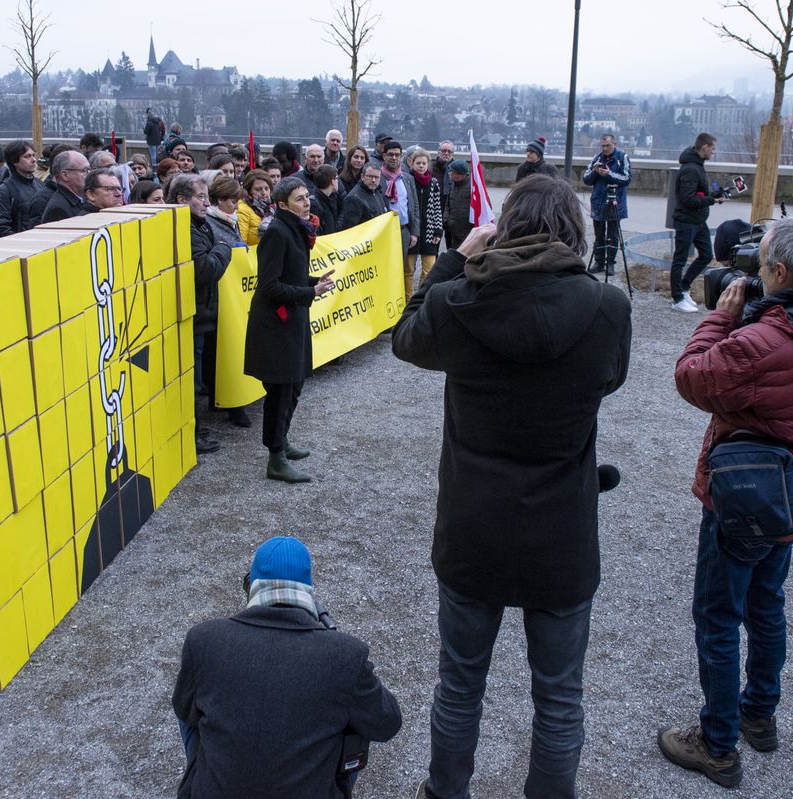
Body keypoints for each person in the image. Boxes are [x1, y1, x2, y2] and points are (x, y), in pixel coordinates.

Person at [393, 175, 632, 799]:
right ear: (574, 231)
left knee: (460, 685)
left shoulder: (458, 303)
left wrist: (455, 256)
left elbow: (405, 336)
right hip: (562, 528)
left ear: (505, 228)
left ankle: (446, 792)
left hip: (474, 523)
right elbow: (609, 380)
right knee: (559, 698)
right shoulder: (607, 308)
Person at [657, 217, 793, 789]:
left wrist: (722, 316)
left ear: (776, 271)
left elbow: (691, 377)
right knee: (767, 604)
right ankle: (758, 714)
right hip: (792, 490)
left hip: (742, 494)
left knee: (720, 616)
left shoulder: (758, 342)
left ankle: (718, 745)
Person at [172, 535, 402, 799]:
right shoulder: (347, 654)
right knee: (356, 714)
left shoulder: (203, 640)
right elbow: (387, 724)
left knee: (190, 698)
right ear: (309, 592)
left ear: (252, 587)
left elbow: (184, 710)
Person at [243, 176, 336, 483]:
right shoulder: (277, 233)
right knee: (281, 391)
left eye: (307, 196)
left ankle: (281, 442)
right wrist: (311, 293)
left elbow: (290, 275)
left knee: (294, 385)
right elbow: (269, 286)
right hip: (276, 325)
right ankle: (275, 458)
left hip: (291, 321)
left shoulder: (295, 228)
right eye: (299, 198)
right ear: (282, 205)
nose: (306, 201)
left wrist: (313, 281)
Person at [171, 174, 230, 455]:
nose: (207, 203)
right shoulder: (186, 227)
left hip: (203, 313)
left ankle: (194, 427)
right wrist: (222, 248)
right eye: (201, 198)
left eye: (207, 197)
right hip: (193, 315)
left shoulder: (199, 224)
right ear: (182, 200)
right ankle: (190, 435)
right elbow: (205, 269)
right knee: (191, 379)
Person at [204, 174, 252, 429]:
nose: (235, 206)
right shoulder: (211, 223)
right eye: (232, 201)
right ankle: (230, 404)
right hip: (219, 296)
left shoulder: (228, 220)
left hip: (230, 295)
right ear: (219, 200)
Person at [670, 132, 726, 313]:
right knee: (679, 260)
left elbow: (700, 193)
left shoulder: (698, 166)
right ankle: (677, 299)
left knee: (706, 255)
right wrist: (712, 201)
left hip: (699, 221)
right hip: (686, 221)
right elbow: (688, 199)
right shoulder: (690, 169)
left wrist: (715, 195)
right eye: (713, 148)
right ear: (705, 147)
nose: (714, 152)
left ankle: (684, 287)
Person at [582, 134, 632, 276]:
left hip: (616, 202)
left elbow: (627, 178)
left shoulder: (622, 158)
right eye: (602, 146)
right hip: (598, 202)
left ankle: (610, 263)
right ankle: (599, 262)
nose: (605, 148)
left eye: (607, 146)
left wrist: (608, 174)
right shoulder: (597, 159)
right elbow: (586, 179)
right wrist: (596, 172)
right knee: (599, 235)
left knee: (613, 235)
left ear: (614, 144)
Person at [405, 148, 443, 300]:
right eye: (418, 163)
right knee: (408, 269)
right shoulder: (407, 180)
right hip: (411, 231)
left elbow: (437, 208)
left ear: (428, 164)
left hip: (428, 231)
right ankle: (408, 297)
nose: (421, 166)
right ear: (412, 163)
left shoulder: (433, 183)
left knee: (429, 268)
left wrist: (438, 231)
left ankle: (420, 297)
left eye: (424, 163)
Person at [0, 140, 44, 238]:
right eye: (27, 156)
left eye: (33, 155)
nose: (33, 159)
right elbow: (0, 228)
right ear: (14, 161)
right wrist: (23, 241)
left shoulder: (39, 184)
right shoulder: (4, 191)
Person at [381, 141, 419, 256]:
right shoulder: (377, 178)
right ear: (384, 156)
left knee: (400, 268)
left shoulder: (408, 179)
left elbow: (415, 206)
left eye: (397, 155)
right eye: (390, 154)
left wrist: (414, 232)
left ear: (401, 157)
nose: (394, 158)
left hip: (403, 231)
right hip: (383, 232)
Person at [41, 150, 90, 223]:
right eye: (85, 170)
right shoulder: (58, 209)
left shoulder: (83, 199)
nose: (89, 174)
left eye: (89, 170)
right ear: (65, 175)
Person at [341, 165, 387, 230]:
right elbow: (350, 229)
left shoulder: (378, 192)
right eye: (370, 176)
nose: (373, 180)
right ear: (362, 177)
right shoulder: (354, 198)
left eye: (376, 177)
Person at [443, 159, 473, 249]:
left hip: (468, 234)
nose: (449, 174)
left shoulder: (473, 188)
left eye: (451, 171)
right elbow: (448, 204)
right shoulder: (453, 184)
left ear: (460, 174)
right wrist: (446, 220)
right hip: (453, 231)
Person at [238, 169, 273, 245]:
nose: (264, 192)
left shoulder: (272, 208)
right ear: (249, 191)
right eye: (258, 189)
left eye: (266, 188)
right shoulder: (242, 210)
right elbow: (241, 243)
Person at [308, 164, 343, 236]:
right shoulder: (314, 204)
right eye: (337, 178)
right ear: (333, 181)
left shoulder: (331, 198)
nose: (338, 182)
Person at [431, 140, 455, 206]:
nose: (446, 153)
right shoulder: (430, 169)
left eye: (449, 151)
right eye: (444, 151)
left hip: (451, 206)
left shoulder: (456, 170)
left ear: (452, 155)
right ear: (438, 153)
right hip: (434, 205)